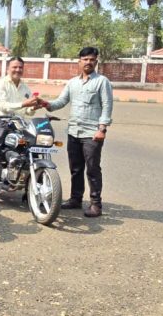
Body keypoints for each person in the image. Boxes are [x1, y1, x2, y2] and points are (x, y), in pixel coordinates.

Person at [42, 47, 113, 218]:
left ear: (96, 62)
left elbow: (107, 106)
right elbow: (61, 101)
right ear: (79, 61)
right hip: (74, 132)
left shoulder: (102, 82)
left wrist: (102, 129)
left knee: (92, 169)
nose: (88, 62)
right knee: (75, 168)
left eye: (91, 59)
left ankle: (96, 204)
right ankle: (75, 199)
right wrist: (46, 104)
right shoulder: (72, 82)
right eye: (85, 59)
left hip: (92, 133)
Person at [0, 57, 42, 205]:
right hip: (1, 122)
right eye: (14, 67)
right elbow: (3, 106)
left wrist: (34, 107)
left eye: (20, 68)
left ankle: (30, 188)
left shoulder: (25, 87)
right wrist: (25, 103)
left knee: (34, 148)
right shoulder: (0, 84)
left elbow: (27, 112)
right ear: (8, 69)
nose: (17, 70)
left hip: (19, 124)